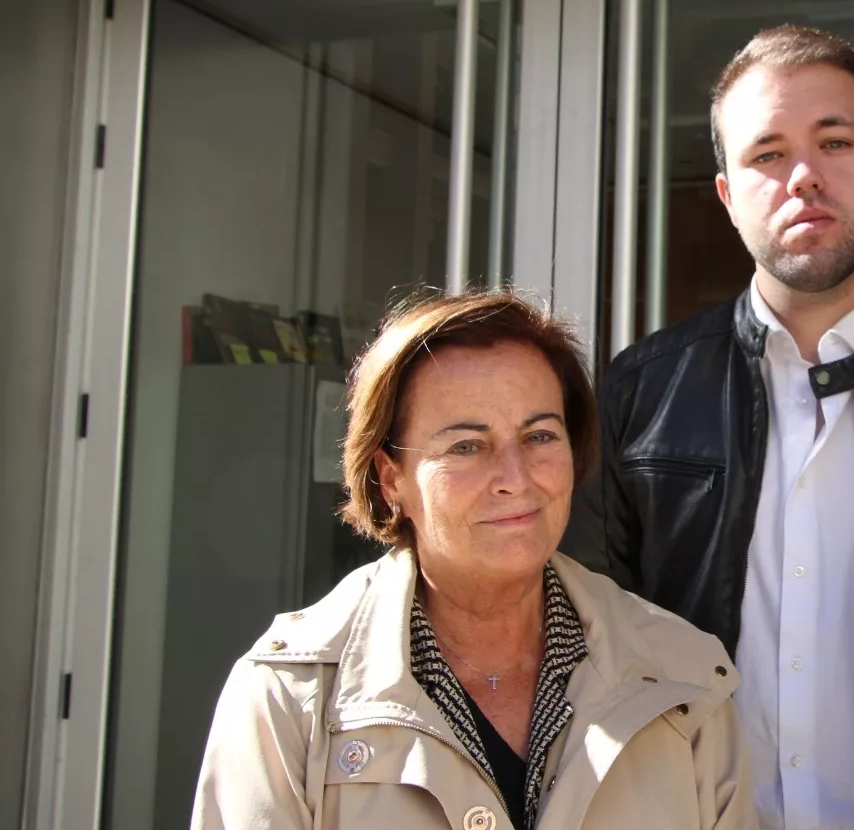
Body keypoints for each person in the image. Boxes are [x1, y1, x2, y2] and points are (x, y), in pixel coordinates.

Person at [562, 24, 854, 829]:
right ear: (726, 196)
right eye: (766, 155)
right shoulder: (641, 394)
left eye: (835, 141)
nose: (803, 177)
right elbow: (585, 644)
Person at [191, 292, 754, 830]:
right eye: (465, 446)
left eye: (539, 436)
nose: (515, 478)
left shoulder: (684, 680)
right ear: (391, 480)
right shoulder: (290, 697)